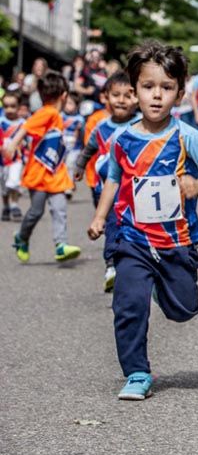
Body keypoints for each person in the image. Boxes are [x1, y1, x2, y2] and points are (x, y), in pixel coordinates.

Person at [86, 41, 198, 401]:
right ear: (134, 92)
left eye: (167, 88)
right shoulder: (122, 138)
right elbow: (113, 180)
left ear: (180, 93)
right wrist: (100, 216)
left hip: (176, 240)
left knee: (184, 309)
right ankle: (136, 371)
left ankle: (165, 289)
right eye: (148, 87)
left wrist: (196, 185)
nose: (157, 96)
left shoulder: (187, 135)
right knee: (128, 304)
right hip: (132, 239)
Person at [5, 72, 81, 264]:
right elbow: (27, 126)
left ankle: (61, 245)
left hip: (55, 174)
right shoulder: (49, 112)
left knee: (59, 208)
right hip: (38, 175)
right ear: (64, 96)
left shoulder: (55, 114)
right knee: (35, 212)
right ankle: (21, 237)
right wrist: (13, 144)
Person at [73, 71, 138, 292]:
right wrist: (80, 166)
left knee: (136, 229)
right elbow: (89, 148)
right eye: (116, 95)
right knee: (111, 226)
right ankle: (111, 265)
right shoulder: (101, 128)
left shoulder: (142, 124)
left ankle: (138, 265)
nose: (121, 100)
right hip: (108, 190)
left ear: (137, 97)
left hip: (136, 192)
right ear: (106, 98)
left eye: (128, 95)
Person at [1, 91, 26, 221]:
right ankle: (6, 206)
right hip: (2, 160)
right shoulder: (1, 122)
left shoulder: (23, 123)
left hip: (17, 159)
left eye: (13, 106)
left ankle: (15, 205)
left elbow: (29, 140)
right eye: (6, 106)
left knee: (14, 182)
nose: (9, 109)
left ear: (19, 106)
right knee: (4, 186)